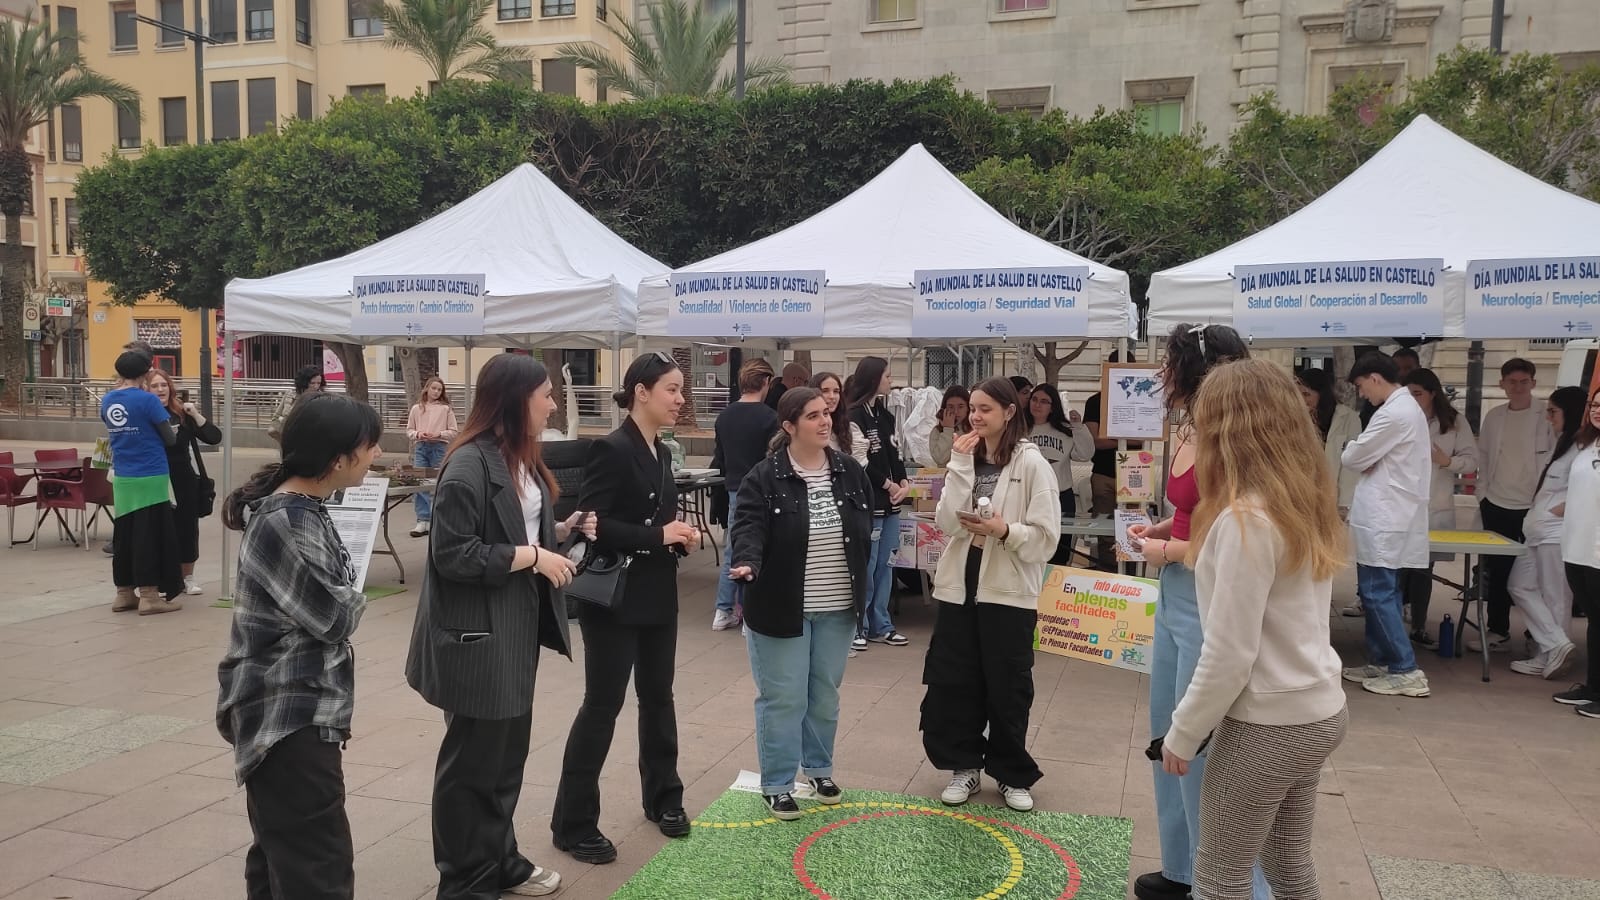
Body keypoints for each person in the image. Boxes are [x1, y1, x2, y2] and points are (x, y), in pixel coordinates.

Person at [1157, 358, 1349, 900]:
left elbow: (1229, 653)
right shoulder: (1299, 503)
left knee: (1218, 878)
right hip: (1318, 707)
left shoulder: (1245, 520)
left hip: (1268, 723)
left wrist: (1184, 731)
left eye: (1203, 422)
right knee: (1288, 861)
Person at [405, 355, 584, 900]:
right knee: (472, 769)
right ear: (513, 399)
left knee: (504, 759)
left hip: (513, 628)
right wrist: (533, 556)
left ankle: (499, 860)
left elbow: (513, 526)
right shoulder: (467, 464)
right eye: (546, 395)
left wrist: (562, 529)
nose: (553, 404)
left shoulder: (518, 457)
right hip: (476, 638)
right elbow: (454, 553)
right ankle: (464, 881)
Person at [216, 392, 383, 900]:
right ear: (338, 457)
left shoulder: (304, 508)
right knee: (317, 862)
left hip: (295, 706)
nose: (376, 455)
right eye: (369, 446)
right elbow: (334, 616)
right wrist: (354, 600)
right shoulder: (287, 520)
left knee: (281, 849)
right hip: (287, 710)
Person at [1126, 324, 1268, 900]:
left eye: (1168, 362)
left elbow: (1238, 532)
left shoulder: (1236, 438)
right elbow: (1198, 512)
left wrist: (1169, 549)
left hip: (1204, 592)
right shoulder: (1192, 427)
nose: (1161, 372)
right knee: (1166, 732)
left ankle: (1231, 881)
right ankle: (1182, 866)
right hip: (1175, 590)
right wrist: (1162, 529)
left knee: (1198, 743)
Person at [552, 352, 701, 865]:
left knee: (659, 699)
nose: (681, 399)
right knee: (602, 706)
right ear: (641, 391)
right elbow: (596, 523)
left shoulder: (660, 451)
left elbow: (650, 520)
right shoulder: (611, 449)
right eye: (673, 389)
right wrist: (659, 533)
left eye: (681, 390)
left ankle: (665, 799)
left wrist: (675, 538)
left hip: (657, 591)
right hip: (613, 597)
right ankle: (573, 824)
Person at [728, 387, 874, 819]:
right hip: (780, 606)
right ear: (789, 426)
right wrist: (747, 562)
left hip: (838, 606)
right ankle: (777, 782)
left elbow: (863, 523)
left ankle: (819, 768)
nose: (824, 421)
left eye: (827, 413)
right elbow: (748, 527)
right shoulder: (764, 476)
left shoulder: (849, 470)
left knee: (824, 695)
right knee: (784, 697)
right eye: (813, 416)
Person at [922, 377, 1060, 813]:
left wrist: (1004, 530)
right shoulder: (966, 456)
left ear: (1008, 412)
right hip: (960, 581)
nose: (975, 417)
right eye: (972, 409)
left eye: (985, 409)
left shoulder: (1031, 464)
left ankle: (1010, 772)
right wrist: (960, 465)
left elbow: (1046, 538)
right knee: (955, 680)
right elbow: (947, 522)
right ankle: (964, 765)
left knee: (1008, 684)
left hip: (1009, 587)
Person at [1340, 351, 1433, 698]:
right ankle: (1381, 660)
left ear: (1376, 378)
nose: (1363, 394)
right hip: (1386, 514)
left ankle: (1405, 668)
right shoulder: (1401, 409)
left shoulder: (1394, 413)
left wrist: (1355, 450)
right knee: (1382, 591)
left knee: (1378, 593)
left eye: (1362, 386)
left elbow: (1353, 457)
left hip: (1386, 516)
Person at [1474, 358, 1554, 652]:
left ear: (1533, 383)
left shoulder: (1546, 414)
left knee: (1539, 574)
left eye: (1524, 382)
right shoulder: (1494, 417)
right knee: (1498, 571)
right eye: (1512, 382)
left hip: (1534, 506)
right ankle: (1497, 629)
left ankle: (1539, 636)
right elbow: (1483, 457)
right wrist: (1482, 495)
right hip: (1497, 503)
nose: (1518, 387)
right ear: (1502, 384)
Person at [1508, 387, 1588, 678]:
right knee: (1519, 585)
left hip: (1555, 533)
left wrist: (1559, 510)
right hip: (1537, 531)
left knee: (1557, 596)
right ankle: (1555, 645)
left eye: (1553, 411)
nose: (1548, 417)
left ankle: (1551, 655)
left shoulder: (1585, 447)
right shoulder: (1562, 443)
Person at [1399, 368, 1478, 648]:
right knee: (1398, 571)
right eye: (1407, 393)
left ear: (1433, 393)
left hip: (1435, 505)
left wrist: (1447, 462)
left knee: (1422, 570)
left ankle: (1419, 626)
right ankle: (1394, 629)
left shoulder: (1454, 422)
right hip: (1400, 506)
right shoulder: (1398, 417)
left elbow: (1471, 461)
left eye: (1417, 393)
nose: (1412, 399)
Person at [101, 350, 184, 614]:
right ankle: (150, 595)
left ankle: (123, 592)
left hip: (123, 475)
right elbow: (169, 439)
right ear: (146, 372)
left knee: (124, 532)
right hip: (151, 473)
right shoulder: (148, 400)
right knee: (150, 533)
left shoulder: (107, 400)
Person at [845, 356, 910, 651]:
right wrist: (887, 483)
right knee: (866, 566)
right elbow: (859, 461)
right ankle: (859, 625)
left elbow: (895, 453)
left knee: (886, 565)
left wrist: (904, 482)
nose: (890, 379)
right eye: (886, 375)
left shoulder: (884, 414)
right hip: (869, 503)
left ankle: (881, 624)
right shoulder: (853, 415)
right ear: (872, 378)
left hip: (892, 503)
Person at [711, 359, 779, 631]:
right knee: (759, 550)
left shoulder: (724, 416)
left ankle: (723, 608)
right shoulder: (770, 417)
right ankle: (748, 613)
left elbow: (720, 457)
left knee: (733, 549)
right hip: (762, 489)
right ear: (765, 383)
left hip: (733, 487)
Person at [147, 369, 222, 596]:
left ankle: (187, 577)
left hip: (184, 479)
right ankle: (166, 579)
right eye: (155, 386)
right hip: (157, 478)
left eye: (164, 385)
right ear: (147, 389)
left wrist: (196, 414)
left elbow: (214, 437)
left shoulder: (182, 414)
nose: (160, 389)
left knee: (187, 529)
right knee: (161, 529)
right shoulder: (145, 414)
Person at [1553, 385, 1600, 718]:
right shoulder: (1587, 444)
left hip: (1598, 550)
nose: (1597, 410)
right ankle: (1593, 687)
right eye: (1595, 404)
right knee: (1594, 623)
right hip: (1577, 547)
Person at [1083, 352, 1136, 572]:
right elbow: (1095, 441)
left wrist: (1111, 437)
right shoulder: (1095, 401)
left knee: (1134, 531)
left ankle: (1131, 579)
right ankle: (1107, 575)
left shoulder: (1141, 401)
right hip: (1103, 473)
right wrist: (1125, 437)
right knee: (1104, 531)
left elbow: (1146, 437)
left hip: (1135, 474)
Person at [1295, 367, 1361, 515]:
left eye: (1306, 394)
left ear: (1322, 395)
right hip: (1302, 493)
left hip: (1332, 494)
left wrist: (1344, 504)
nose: (1301, 400)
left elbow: (1350, 465)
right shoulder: (1293, 419)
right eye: (1297, 394)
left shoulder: (1348, 418)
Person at [1025, 382, 1093, 522]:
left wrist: (1078, 427)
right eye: (1034, 399)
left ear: (1052, 407)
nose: (1037, 405)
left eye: (1044, 401)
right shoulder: (1018, 429)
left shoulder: (1064, 430)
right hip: (1029, 495)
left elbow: (1084, 455)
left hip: (1060, 495)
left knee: (1063, 542)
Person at [407, 375, 459, 537]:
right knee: (419, 483)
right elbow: (409, 430)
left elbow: (453, 431)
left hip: (439, 447)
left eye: (439, 389)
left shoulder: (446, 409)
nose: (436, 392)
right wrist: (418, 434)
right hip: (421, 447)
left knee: (438, 483)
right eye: (434, 388)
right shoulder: (417, 408)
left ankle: (437, 520)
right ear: (427, 388)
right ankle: (422, 519)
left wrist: (439, 434)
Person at [927, 386, 970, 467]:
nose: (956, 411)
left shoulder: (974, 429)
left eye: (961, 406)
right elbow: (940, 459)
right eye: (951, 407)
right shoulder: (937, 431)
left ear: (968, 407)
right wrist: (948, 430)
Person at [809, 371, 848, 451]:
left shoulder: (843, 425)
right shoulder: (807, 425)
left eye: (836, 391)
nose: (832, 396)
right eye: (825, 391)